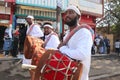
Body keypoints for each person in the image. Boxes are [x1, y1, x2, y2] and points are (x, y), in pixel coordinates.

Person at [58, 5, 93, 80]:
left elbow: (81, 54)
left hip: (80, 77)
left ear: (78, 16)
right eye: (66, 13)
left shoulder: (84, 32)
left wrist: (62, 48)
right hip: (66, 75)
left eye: (71, 12)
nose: (67, 15)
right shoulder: (67, 34)